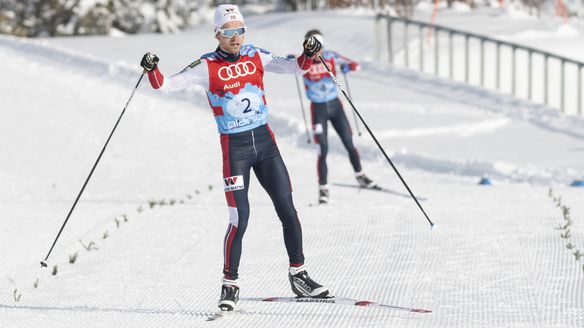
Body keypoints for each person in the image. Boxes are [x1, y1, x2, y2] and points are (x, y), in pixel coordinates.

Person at [140, 5, 329, 311]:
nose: (235, 37)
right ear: (217, 33)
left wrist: (309, 53)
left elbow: (295, 68)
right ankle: (230, 285)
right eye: (228, 32)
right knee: (239, 219)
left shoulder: (256, 54)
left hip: (266, 144)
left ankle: (299, 274)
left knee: (288, 210)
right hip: (235, 148)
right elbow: (167, 86)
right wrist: (152, 70)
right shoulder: (206, 65)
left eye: (239, 30)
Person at [301, 29, 378, 204]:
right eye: (312, 47)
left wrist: (347, 67)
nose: (316, 51)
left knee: (349, 142)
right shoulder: (303, 61)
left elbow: (356, 65)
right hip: (318, 109)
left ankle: (360, 175)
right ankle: (323, 189)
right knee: (323, 149)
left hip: (335, 107)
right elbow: (290, 66)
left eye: (318, 46)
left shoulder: (329, 56)